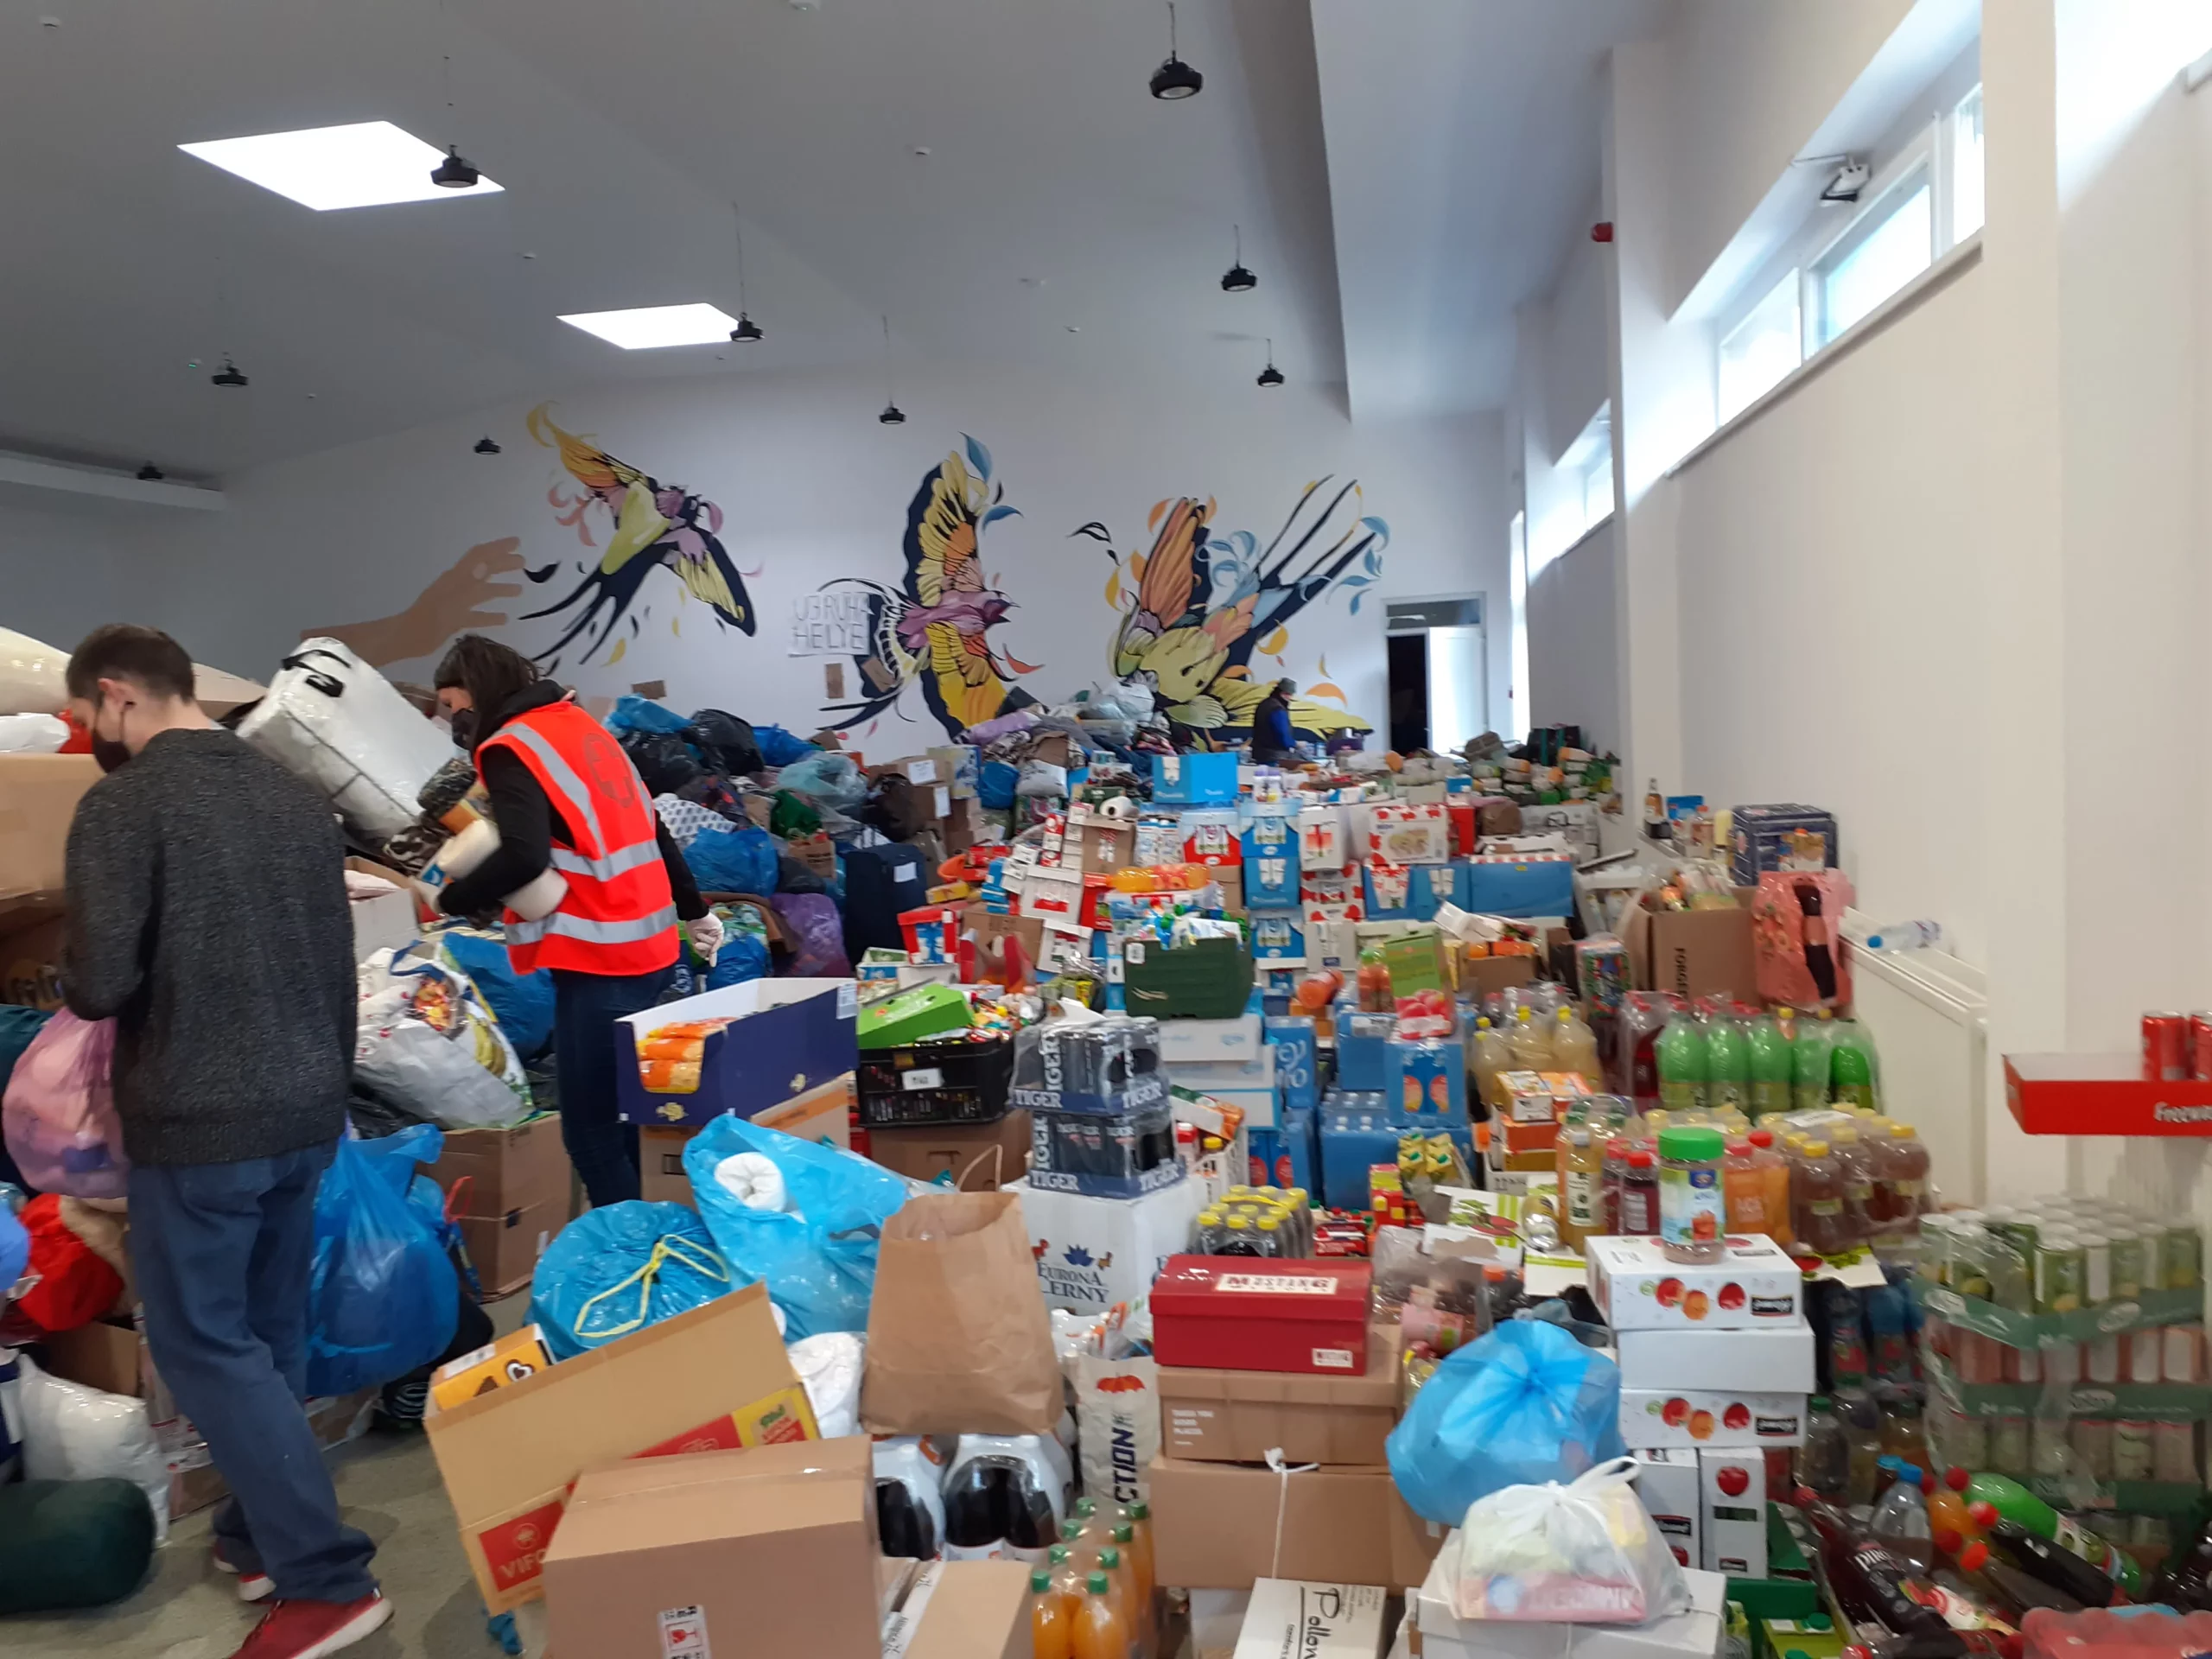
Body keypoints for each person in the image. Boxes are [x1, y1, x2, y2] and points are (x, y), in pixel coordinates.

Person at [61, 626, 388, 1658]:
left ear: (116, 694)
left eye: (84, 716)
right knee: (268, 1333)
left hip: (199, 1122)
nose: (90, 734)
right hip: (305, 1109)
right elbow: (337, 964)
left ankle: (326, 1581)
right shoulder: (295, 795)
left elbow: (99, 982)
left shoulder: (124, 805)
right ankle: (257, 1539)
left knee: (203, 1345)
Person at [430, 635, 718, 1206]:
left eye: (452, 705)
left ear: (476, 692)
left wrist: (450, 900)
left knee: (590, 1136)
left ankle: (635, 1249)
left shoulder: (509, 747)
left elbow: (524, 857)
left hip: (599, 959)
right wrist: (695, 910)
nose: (452, 720)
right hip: (653, 949)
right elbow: (652, 827)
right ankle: (654, 1235)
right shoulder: (583, 728)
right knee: (629, 1119)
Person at [1249, 677, 1299, 765]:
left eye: (1290, 694)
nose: (1289, 697)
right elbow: (1282, 734)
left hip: (1259, 754)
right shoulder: (1278, 709)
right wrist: (1294, 744)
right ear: (1279, 692)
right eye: (1286, 694)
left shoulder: (1264, 704)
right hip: (1275, 755)